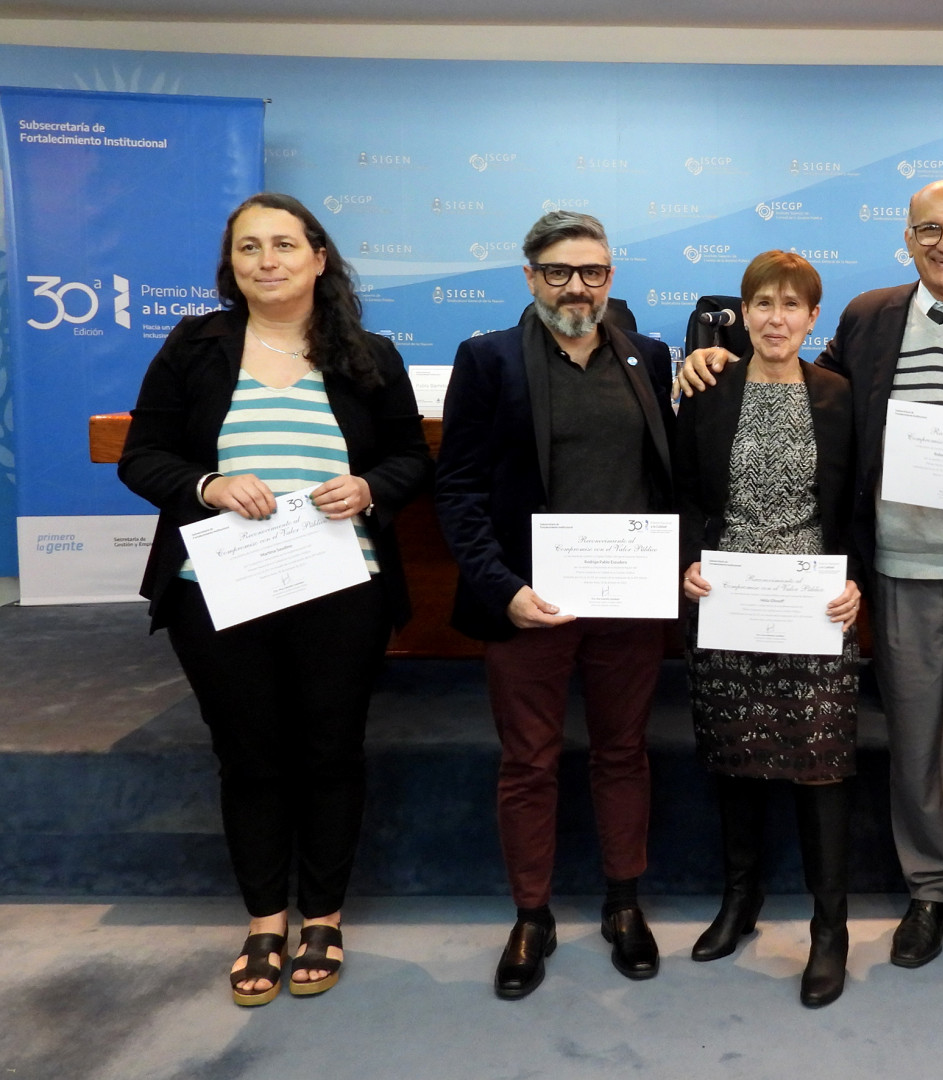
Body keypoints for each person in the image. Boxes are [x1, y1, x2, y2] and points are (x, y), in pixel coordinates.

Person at [679, 180, 943, 990]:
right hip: (896, 574)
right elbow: (797, 385)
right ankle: (930, 893)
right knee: (912, 753)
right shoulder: (868, 317)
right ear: (905, 238)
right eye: (928, 230)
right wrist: (709, 356)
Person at [118, 192, 432, 1006]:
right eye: (250, 247)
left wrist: (368, 487)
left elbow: (408, 458)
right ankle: (264, 921)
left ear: (319, 258)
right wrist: (207, 483)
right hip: (216, 589)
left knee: (331, 750)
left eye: (285, 244)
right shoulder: (194, 346)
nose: (268, 260)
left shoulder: (370, 353)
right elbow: (142, 455)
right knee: (249, 755)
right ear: (233, 265)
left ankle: (322, 916)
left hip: (340, 587)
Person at [433, 210, 675, 999]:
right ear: (530, 275)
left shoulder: (648, 356)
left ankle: (622, 903)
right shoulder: (488, 359)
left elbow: (667, 476)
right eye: (560, 271)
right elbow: (460, 489)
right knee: (529, 761)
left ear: (612, 276)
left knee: (622, 753)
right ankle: (531, 914)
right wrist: (503, 591)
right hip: (528, 604)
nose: (578, 287)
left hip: (629, 604)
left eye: (594, 272)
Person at [676, 251, 861, 1008]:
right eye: (761, 304)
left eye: (791, 305)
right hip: (728, 603)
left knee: (820, 767)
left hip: (815, 607)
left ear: (813, 317)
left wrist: (855, 582)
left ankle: (829, 930)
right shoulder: (707, 389)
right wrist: (685, 561)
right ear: (741, 314)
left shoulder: (840, 397)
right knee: (733, 757)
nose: (776, 318)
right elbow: (683, 489)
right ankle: (739, 901)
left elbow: (855, 501)